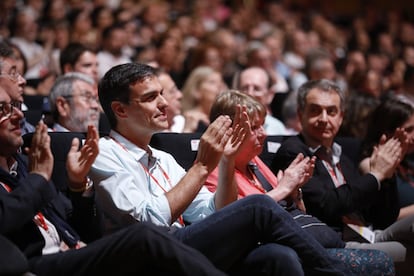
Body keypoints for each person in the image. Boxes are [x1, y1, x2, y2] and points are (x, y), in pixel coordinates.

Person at [90, 62, 348, 275]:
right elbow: (148, 221)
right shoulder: (103, 153)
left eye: (162, 94)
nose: (164, 103)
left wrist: (226, 162)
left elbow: (214, 212)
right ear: (120, 110)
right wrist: (202, 166)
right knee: (259, 206)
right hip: (147, 255)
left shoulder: (163, 158)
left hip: (183, 246)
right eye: (150, 98)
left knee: (278, 257)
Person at [0, 85, 226, 276]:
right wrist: (38, 178)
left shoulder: (21, 165)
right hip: (34, 264)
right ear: (120, 109)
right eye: (3, 109)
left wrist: (79, 186)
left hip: (74, 249)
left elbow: (78, 224)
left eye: (15, 107)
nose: (18, 115)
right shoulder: (45, 167)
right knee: (146, 234)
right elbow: (5, 217)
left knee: (259, 229)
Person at [205, 89, 395, 274]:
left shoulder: (254, 162)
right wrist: (283, 189)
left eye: (262, 125)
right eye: (254, 128)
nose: (263, 134)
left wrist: (295, 193)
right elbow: (238, 220)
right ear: (229, 131)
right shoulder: (216, 171)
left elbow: (298, 212)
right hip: (276, 249)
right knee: (381, 261)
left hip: (314, 239)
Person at [271, 79, 414, 263]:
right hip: (338, 244)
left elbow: (382, 217)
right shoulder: (294, 152)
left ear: (341, 116)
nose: (324, 119)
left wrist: (388, 173)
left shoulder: (341, 156)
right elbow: (326, 204)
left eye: (331, 111)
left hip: (369, 233)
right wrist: (375, 175)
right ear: (300, 114)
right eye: (315, 110)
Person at [360, 94, 414, 219]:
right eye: (409, 130)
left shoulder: (408, 163)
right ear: (387, 132)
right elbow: (383, 218)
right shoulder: (370, 164)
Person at [235, 66, 288, 135]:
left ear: (270, 95)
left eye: (257, 89)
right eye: (245, 88)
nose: (250, 93)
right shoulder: (229, 126)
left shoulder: (277, 128)